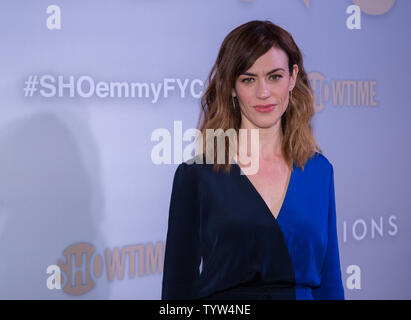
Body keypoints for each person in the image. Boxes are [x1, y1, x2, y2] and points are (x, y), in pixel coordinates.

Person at [161, 20, 345, 300]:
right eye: (249, 79)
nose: (263, 93)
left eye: (275, 76)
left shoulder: (319, 171)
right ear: (232, 87)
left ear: (293, 77)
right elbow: (177, 291)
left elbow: (330, 284)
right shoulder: (197, 175)